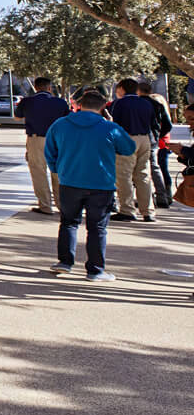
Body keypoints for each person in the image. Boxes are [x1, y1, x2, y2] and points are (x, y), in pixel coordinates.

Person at [44, 89, 136, 281]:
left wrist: (57, 169)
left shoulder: (60, 124)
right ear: (103, 107)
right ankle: (95, 270)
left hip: (70, 181)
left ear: (80, 104)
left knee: (68, 222)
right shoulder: (109, 127)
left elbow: (49, 151)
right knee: (98, 228)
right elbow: (128, 148)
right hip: (101, 183)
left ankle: (65, 262)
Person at [16, 77, 71, 214]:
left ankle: (45, 205)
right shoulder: (60, 102)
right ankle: (62, 205)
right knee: (58, 173)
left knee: (38, 172)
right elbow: (68, 119)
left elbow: (17, 117)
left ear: (35, 87)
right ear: (49, 88)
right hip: (58, 140)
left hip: (36, 139)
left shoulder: (27, 101)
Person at [108, 78, 157, 222]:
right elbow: (153, 122)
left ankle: (127, 209)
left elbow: (115, 123)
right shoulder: (146, 103)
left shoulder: (120, 103)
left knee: (124, 175)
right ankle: (147, 211)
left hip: (127, 137)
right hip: (144, 138)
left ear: (122, 88)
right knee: (143, 174)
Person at [138, 81, 174, 208]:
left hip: (139, 137)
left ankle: (142, 197)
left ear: (139, 91)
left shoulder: (138, 103)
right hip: (153, 140)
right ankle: (162, 196)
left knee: (137, 168)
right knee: (155, 167)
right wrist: (158, 134)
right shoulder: (157, 104)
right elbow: (168, 125)